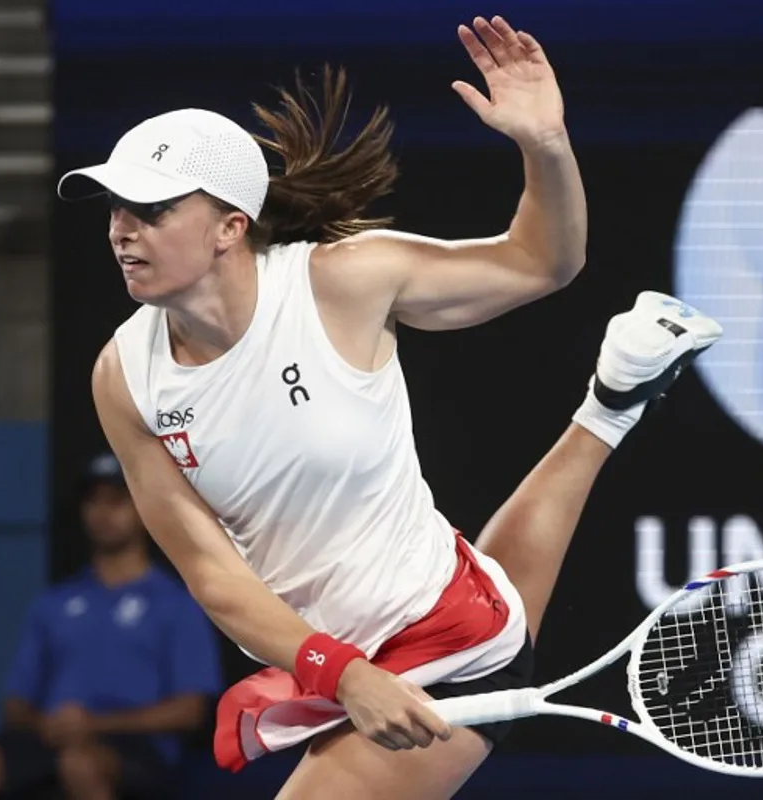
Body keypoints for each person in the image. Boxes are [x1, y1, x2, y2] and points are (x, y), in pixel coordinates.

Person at [55, 15, 722, 800]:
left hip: (448, 645)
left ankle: (611, 405)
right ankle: (612, 402)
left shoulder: (342, 282)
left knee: (481, 614)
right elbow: (212, 574)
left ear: (230, 227)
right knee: (482, 580)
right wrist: (341, 673)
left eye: (152, 210)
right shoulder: (124, 375)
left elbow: (544, 261)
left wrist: (544, 143)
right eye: (115, 208)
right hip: (334, 656)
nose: (121, 230)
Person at [0, 453, 222, 800]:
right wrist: (47, 724)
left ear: (141, 507)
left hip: (134, 746)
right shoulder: (55, 601)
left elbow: (190, 711)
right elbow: (16, 704)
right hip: (51, 738)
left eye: (116, 501)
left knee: (81, 765)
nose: (102, 513)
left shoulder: (177, 604)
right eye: (93, 501)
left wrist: (94, 724)